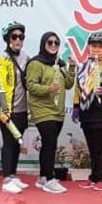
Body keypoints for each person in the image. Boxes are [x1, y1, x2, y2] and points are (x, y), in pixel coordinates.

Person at [26, 32, 76, 193]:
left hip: (57, 111)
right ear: (43, 44)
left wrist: (72, 68)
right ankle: (49, 178)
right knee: (50, 143)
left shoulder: (59, 64)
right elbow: (31, 86)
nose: (53, 45)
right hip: (42, 109)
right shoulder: (36, 63)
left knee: (49, 145)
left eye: (56, 43)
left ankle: (42, 177)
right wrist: (48, 89)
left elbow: (68, 84)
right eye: (50, 42)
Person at [72, 32, 102, 191]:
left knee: (100, 147)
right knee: (91, 147)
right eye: (94, 46)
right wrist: (76, 107)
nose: (97, 49)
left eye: (100, 46)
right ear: (89, 47)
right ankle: (93, 176)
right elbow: (78, 87)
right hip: (86, 112)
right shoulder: (83, 65)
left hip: (100, 112)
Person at [0, 21, 30, 194]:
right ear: (8, 39)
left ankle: (12, 175)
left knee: (16, 141)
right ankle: (6, 179)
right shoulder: (0, 58)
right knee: (8, 143)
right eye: (14, 36)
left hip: (22, 107)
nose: (18, 40)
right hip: (7, 109)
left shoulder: (26, 57)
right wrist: (4, 108)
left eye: (21, 36)